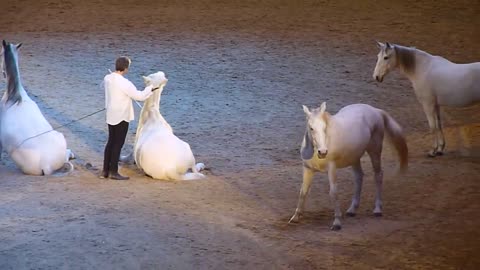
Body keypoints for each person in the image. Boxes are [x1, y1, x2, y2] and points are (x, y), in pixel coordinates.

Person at [100, 56, 156, 180]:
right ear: (126, 68)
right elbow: (139, 96)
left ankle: (105, 171)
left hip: (111, 114)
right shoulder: (125, 83)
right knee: (117, 144)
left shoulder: (108, 78)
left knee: (110, 142)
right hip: (121, 116)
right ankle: (113, 172)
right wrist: (150, 89)